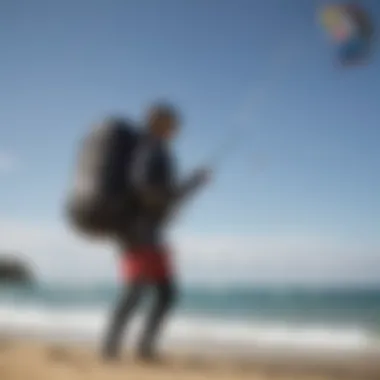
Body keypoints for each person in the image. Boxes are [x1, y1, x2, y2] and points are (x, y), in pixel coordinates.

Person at [102, 102, 210, 361]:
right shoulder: (150, 149)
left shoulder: (155, 150)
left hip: (147, 234)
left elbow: (159, 194)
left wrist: (191, 185)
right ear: (158, 122)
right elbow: (145, 189)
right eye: (173, 122)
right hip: (139, 234)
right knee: (139, 292)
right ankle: (114, 348)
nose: (178, 127)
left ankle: (138, 348)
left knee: (162, 293)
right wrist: (186, 187)